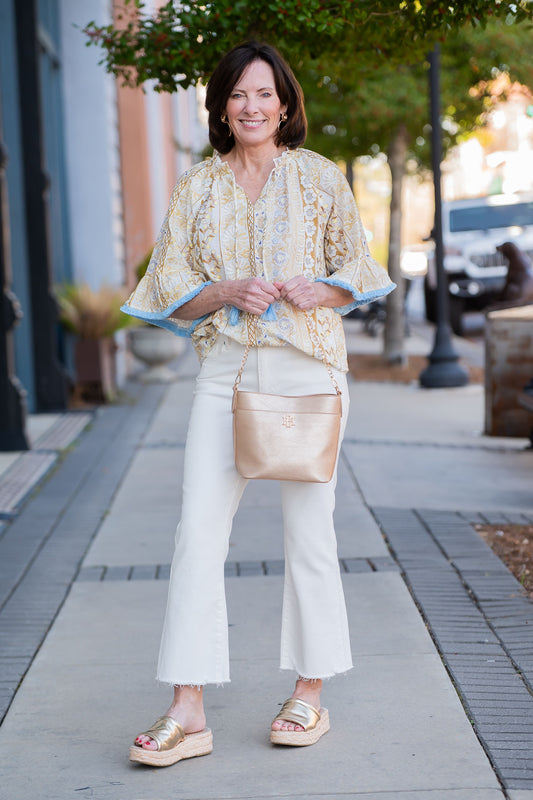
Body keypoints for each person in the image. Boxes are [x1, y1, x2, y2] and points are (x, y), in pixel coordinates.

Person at [122, 40, 395, 767]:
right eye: (237, 96)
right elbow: (167, 288)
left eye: (263, 95)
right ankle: (188, 707)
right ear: (220, 106)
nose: (250, 107)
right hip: (226, 373)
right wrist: (225, 292)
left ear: (284, 105)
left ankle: (309, 692)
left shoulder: (319, 178)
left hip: (309, 370)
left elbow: (360, 266)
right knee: (196, 534)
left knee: (310, 534)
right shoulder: (197, 188)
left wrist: (325, 289)